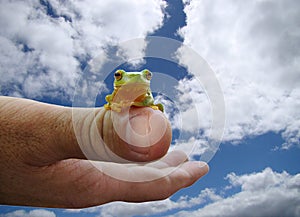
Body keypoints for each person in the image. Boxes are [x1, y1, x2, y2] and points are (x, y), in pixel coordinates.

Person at [0, 96, 209, 208]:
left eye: (147, 76)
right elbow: (111, 99)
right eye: (119, 76)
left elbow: (152, 103)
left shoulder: (146, 97)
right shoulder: (118, 95)